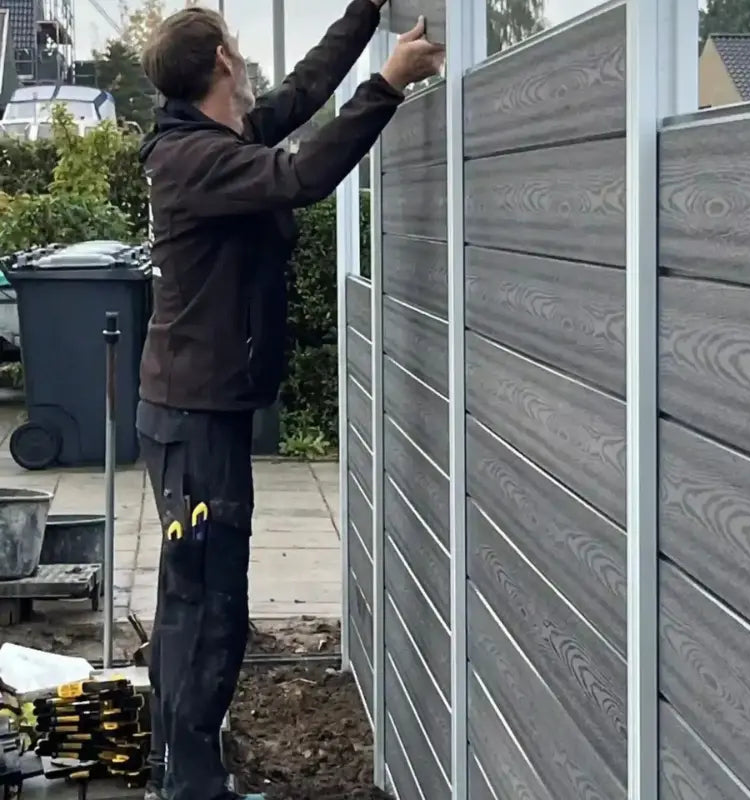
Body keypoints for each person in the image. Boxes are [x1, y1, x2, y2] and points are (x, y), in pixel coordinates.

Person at [135, 3, 444, 799]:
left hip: (193, 410)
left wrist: (366, 14)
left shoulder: (212, 142)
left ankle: (180, 770)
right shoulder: (196, 160)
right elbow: (302, 176)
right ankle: (192, 786)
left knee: (192, 596)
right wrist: (387, 84)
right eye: (237, 49)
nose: (245, 60)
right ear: (222, 63)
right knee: (208, 606)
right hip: (195, 419)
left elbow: (304, 92)